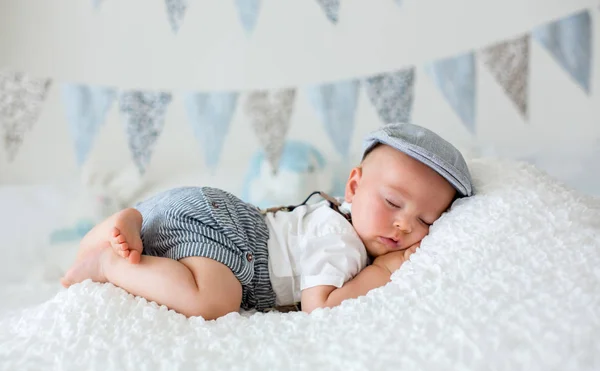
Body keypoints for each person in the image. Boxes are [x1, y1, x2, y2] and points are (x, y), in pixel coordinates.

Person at [61, 122, 473, 319]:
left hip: (190, 209)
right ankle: (108, 265)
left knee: (105, 250)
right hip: (228, 238)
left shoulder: (327, 216)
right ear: (353, 186)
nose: (403, 225)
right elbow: (321, 306)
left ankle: (128, 220)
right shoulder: (341, 239)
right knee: (214, 299)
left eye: (425, 220)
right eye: (392, 202)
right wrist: (384, 270)